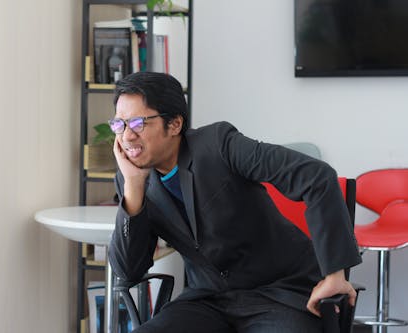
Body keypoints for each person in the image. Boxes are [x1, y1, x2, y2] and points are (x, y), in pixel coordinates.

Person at [108, 71, 362, 332]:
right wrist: (133, 190)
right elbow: (128, 273)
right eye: (119, 125)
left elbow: (316, 177)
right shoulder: (132, 179)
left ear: (174, 125)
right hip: (208, 300)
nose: (126, 136)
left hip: (279, 294)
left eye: (138, 123)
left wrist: (334, 274)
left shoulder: (218, 145)